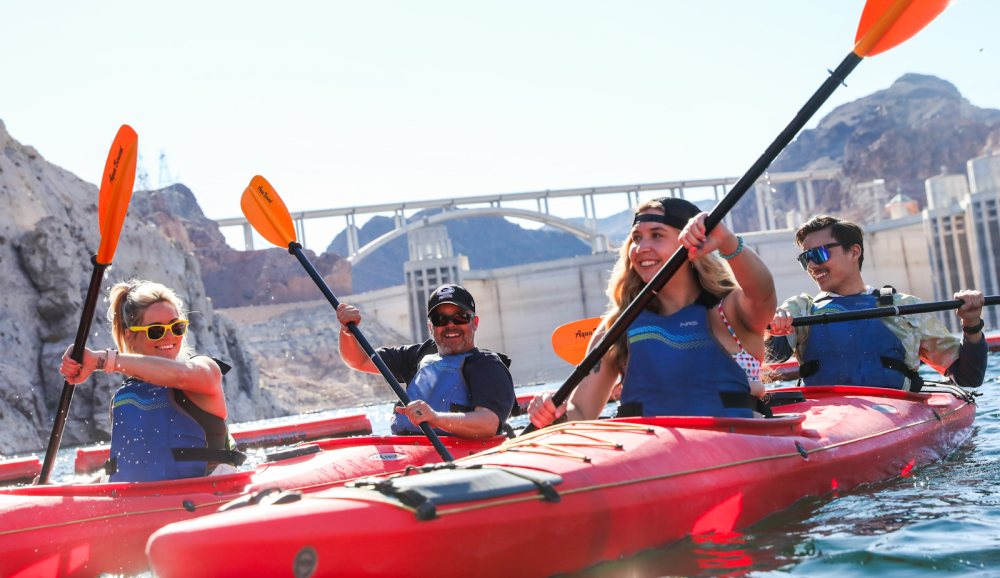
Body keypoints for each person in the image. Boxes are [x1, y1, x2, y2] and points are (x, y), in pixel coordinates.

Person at [528, 197, 777, 428]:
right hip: (650, 454)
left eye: (657, 235)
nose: (641, 248)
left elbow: (763, 294)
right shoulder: (617, 327)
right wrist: (553, 412)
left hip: (734, 445)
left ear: (693, 244)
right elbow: (581, 412)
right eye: (636, 238)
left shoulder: (728, 312)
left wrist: (727, 241)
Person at [767, 215, 987, 391]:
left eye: (820, 254)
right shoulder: (801, 308)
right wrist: (772, 328)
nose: (813, 265)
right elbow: (774, 355)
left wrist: (971, 323)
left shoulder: (904, 307)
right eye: (806, 258)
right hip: (826, 414)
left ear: (854, 252)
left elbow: (967, 377)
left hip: (896, 411)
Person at [60, 280, 244, 482]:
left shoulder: (204, 369)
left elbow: (180, 376)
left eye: (176, 327)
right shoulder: (124, 398)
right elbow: (129, 464)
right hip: (147, 506)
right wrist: (64, 489)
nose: (168, 336)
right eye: (156, 330)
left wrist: (100, 361)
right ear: (130, 337)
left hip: (205, 500)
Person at [337, 284, 515, 439]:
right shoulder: (419, 355)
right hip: (408, 452)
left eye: (460, 317)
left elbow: (488, 424)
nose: (451, 325)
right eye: (441, 320)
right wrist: (348, 331)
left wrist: (436, 418)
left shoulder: (488, 366)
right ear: (431, 327)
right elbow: (357, 360)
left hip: (458, 455)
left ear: (474, 323)